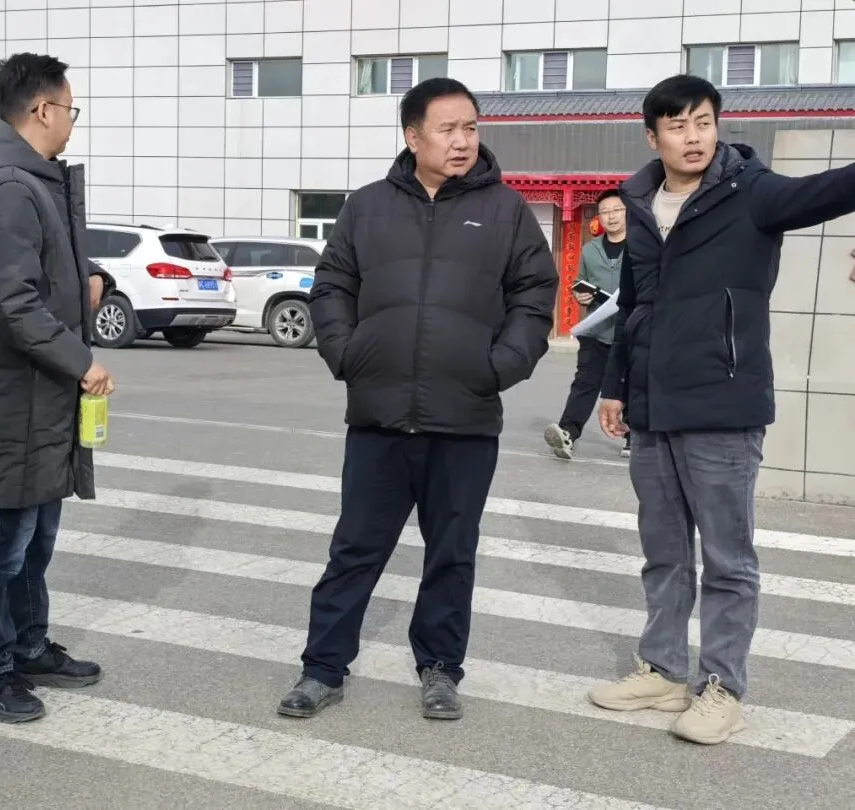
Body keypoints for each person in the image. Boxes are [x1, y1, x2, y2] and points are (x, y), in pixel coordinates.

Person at [276, 77, 559, 721]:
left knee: (451, 554)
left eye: (471, 128)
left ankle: (440, 669)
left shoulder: (506, 210)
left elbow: (535, 295)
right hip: (379, 416)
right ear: (412, 136)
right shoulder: (368, 207)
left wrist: (500, 365)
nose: (462, 141)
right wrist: (346, 353)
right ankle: (322, 668)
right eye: (447, 129)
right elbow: (332, 285)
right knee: (355, 549)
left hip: (465, 418)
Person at [589, 73, 855, 745]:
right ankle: (662, 669)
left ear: (717, 125)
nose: (693, 136)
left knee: (728, 560)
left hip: (723, 405)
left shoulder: (752, 193)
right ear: (652, 136)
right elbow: (634, 306)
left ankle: (722, 687)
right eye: (677, 125)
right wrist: (615, 386)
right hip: (652, 408)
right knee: (663, 552)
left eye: (703, 122)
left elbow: (832, 189)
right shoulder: (640, 203)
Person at [0, 53, 115, 724]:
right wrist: (81, 361)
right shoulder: (11, 188)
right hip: (16, 398)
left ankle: (27, 645)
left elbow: (43, 275)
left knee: (35, 539)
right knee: (2, 544)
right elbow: (12, 303)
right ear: (43, 110)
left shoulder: (34, 181)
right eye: (70, 109)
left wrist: (92, 281)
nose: (72, 122)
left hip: (42, 400)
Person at [544, 190, 630, 460]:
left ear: (627, 212)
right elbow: (579, 281)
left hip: (631, 329)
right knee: (585, 383)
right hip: (596, 328)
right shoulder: (590, 250)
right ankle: (568, 433)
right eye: (605, 212)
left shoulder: (642, 246)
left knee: (633, 382)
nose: (611, 216)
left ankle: (634, 435)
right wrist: (579, 294)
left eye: (616, 210)